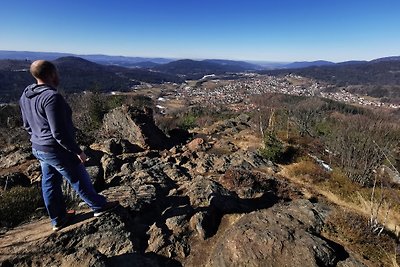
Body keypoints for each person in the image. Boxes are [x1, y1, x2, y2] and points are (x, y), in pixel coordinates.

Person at [19, 60, 119, 231]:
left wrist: (38, 137)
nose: (58, 75)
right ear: (51, 74)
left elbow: (26, 125)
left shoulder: (26, 94)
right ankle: (99, 206)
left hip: (38, 148)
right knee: (79, 178)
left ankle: (58, 218)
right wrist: (77, 151)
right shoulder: (51, 97)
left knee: (49, 182)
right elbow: (59, 132)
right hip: (56, 149)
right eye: (56, 72)